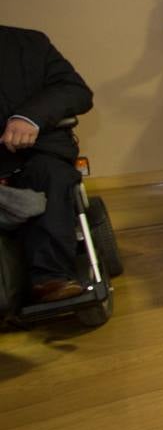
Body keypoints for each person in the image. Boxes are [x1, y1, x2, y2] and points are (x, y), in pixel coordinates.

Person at [0, 26, 95, 303]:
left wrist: (29, 118)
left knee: (50, 174)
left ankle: (50, 277)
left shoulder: (29, 43)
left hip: (37, 152)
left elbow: (75, 90)